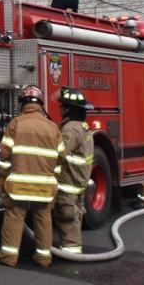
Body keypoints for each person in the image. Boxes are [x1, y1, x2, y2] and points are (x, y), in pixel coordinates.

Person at [0, 85, 65, 268]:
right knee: (43, 218)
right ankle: (43, 258)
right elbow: (60, 158)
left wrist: (2, 178)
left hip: (18, 185)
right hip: (45, 186)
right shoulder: (53, 127)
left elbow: (4, 156)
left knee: (15, 217)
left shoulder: (16, 124)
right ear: (40, 104)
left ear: (22, 104)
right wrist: (53, 179)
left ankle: (8, 257)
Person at [53, 87, 94, 254]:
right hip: (78, 183)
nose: (60, 109)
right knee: (74, 216)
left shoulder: (70, 129)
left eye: (62, 106)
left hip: (68, 183)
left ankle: (71, 253)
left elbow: (59, 154)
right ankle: (72, 249)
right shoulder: (82, 127)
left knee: (67, 216)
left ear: (68, 109)